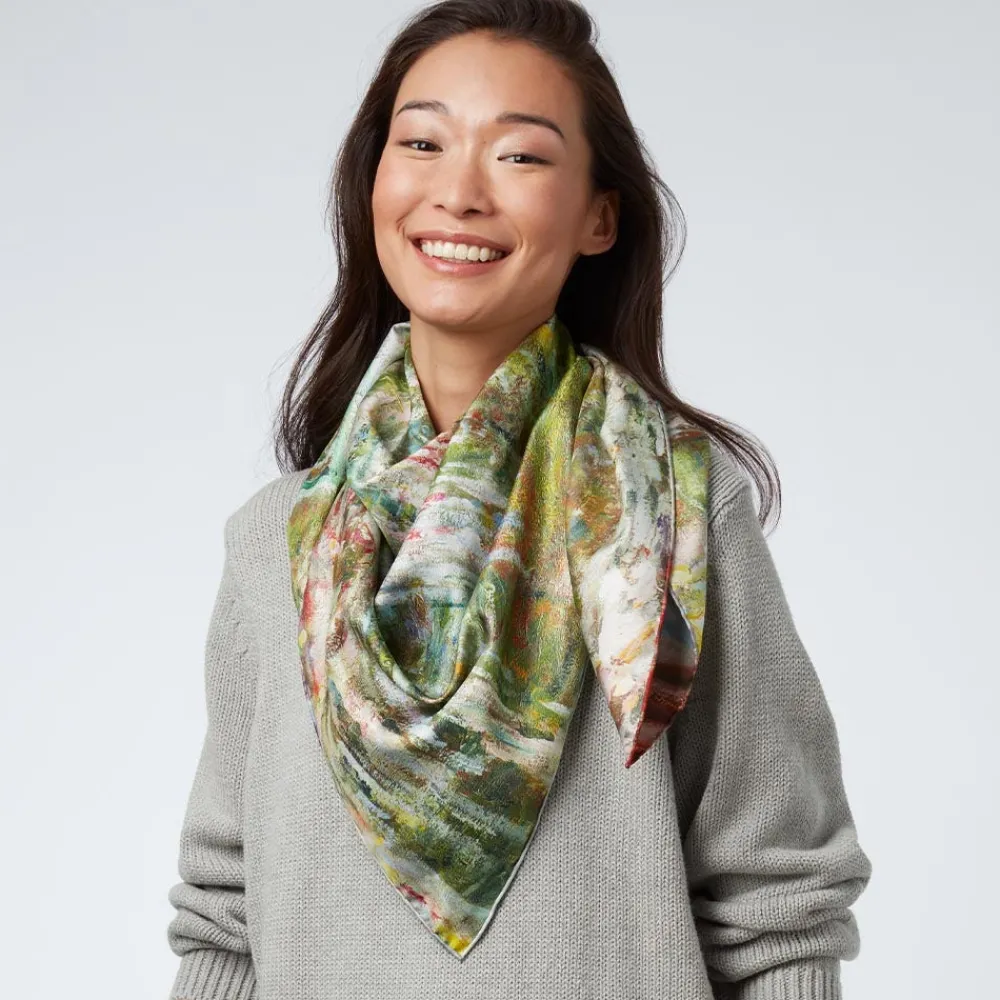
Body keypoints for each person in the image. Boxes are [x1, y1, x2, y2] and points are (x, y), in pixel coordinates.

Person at [165, 1, 872, 998]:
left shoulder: (671, 515)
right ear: (373, 182)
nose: (457, 192)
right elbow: (225, 920)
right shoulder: (274, 541)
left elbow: (779, 906)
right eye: (421, 143)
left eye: (520, 157)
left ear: (599, 216)